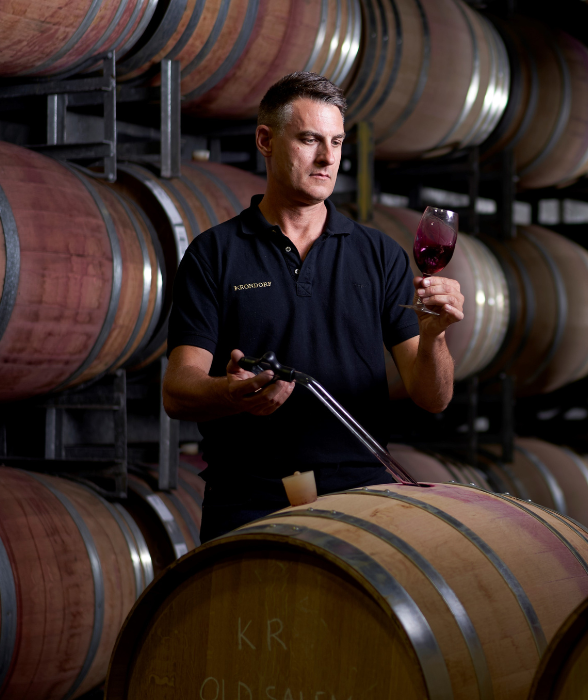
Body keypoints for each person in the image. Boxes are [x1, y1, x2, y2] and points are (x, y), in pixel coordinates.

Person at [161, 72, 465, 541]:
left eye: (337, 142)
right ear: (266, 140)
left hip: (360, 498)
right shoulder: (215, 253)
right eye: (309, 140)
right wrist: (230, 392)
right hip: (248, 499)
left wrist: (434, 335)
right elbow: (177, 390)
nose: (328, 158)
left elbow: (433, 397)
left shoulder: (378, 253)